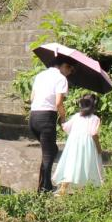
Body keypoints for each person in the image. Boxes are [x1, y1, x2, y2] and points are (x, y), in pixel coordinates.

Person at [30, 56, 74, 193]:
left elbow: (32, 97)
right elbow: (58, 103)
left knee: (50, 150)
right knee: (49, 153)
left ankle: (44, 185)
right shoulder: (61, 78)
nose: (70, 73)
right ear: (64, 66)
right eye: (70, 69)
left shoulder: (40, 76)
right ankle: (45, 187)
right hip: (46, 117)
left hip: (33, 117)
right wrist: (63, 118)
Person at [55, 94, 105, 193]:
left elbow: (65, 127)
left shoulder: (76, 116)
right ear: (93, 106)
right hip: (88, 145)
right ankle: (83, 188)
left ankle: (63, 189)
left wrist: (62, 117)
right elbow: (94, 134)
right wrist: (98, 147)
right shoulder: (95, 119)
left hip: (73, 143)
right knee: (86, 164)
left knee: (71, 163)